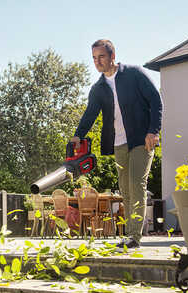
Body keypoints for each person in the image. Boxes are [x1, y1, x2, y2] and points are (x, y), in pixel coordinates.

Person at [71, 39, 162, 248]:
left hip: (141, 139)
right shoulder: (99, 88)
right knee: (125, 189)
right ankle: (131, 236)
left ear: (112, 56)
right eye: (94, 58)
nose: (97, 62)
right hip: (118, 143)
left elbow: (156, 100)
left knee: (137, 184)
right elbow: (89, 114)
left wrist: (153, 131)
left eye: (101, 56)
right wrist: (77, 135)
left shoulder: (134, 74)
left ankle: (134, 236)